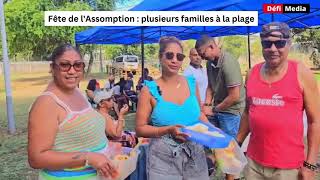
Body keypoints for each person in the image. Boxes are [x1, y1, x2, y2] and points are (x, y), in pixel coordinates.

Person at [236, 22, 320, 180]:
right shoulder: (252, 73)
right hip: (254, 163)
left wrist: (309, 165)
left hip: (287, 168)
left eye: (279, 43)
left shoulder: (301, 73)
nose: (273, 49)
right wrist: (238, 141)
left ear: (289, 44)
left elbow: (315, 122)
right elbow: (248, 112)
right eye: (267, 43)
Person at [28, 44, 117, 180]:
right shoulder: (47, 104)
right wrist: (88, 157)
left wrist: (106, 147)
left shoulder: (76, 92)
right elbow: (36, 158)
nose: (72, 71)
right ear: (52, 68)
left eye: (77, 65)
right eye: (64, 65)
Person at [135, 36, 210, 180]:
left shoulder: (191, 83)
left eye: (179, 56)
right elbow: (140, 129)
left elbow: (199, 114)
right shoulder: (149, 90)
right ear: (160, 57)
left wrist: (216, 134)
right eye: (169, 55)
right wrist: (167, 130)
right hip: (163, 159)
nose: (175, 60)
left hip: (195, 155)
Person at [195, 35, 245, 180]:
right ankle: (212, 165)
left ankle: (230, 177)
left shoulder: (228, 62)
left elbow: (234, 96)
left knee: (229, 149)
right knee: (208, 139)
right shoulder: (210, 63)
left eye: (203, 54)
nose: (202, 58)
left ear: (211, 47)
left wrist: (214, 109)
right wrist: (206, 105)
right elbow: (210, 86)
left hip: (231, 111)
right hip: (218, 107)